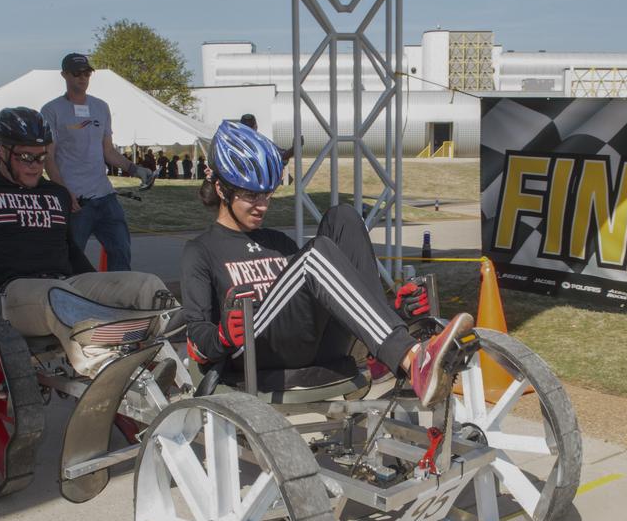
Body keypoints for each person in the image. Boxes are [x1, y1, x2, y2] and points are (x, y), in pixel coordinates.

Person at [180, 120, 471, 408]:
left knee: (343, 218)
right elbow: (197, 336)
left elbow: (316, 301)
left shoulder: (277, 242)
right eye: (251, 195)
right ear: (221, 189)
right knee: (314, 256)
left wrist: (394, 309)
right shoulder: (201, 250)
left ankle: (384, 338)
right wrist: (222, 336)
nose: (263, 205)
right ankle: (411, 358)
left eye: (268, 194)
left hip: (311, 347)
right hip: (254, 353)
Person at [0, 107, 170, 377]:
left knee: (146, 285)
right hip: (7, 295)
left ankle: (163, 360)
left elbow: (70, 251)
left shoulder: (57, 194)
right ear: (2, 152)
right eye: (26, 157)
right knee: (57, 295)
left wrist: (100, 289)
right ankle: (108, 370)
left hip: (64, 285)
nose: (36, 165)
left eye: (41, 157)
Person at [40, 53, 154, 272]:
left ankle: (119, 299)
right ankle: (70, 300)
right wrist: (64, 192)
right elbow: (49, 158)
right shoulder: (51, 110)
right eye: (76, 74)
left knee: (121, 251)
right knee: (72, 260)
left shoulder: (101, 107)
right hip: (76, 201)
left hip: (105, 196)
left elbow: (108, 151)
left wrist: (136, 169)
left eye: (86, 73)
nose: (82, 78)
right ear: (64, 75)